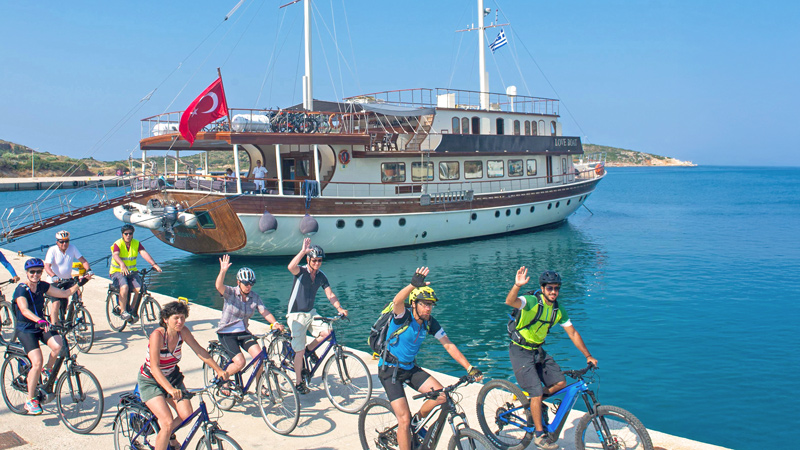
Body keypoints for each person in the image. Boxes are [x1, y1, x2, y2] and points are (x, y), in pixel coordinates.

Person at [379, 267, 481, 450]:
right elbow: (397, 301)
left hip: (410, 368)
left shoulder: (429, 322)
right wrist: (412, 285)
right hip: (389, 370)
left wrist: (469, 368)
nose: (428, 308)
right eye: (424, 304)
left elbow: (448, 345)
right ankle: (408, 426)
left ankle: (416, 422)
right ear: (414, 304)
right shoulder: (403, 316)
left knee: (442, 396)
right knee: (403, 419)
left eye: (431, 304)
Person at [505, 267, 598, 450]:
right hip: (520, 351)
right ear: (543, 288)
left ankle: (534, 402)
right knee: (537, 392)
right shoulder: (532, 301)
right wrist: (517, 285)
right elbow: (510, 301)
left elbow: (572, 333)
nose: (553, 292)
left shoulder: (558, 309)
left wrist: (588, 355)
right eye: (550, 288)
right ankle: (539, 436)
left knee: (560, 383)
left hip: (538, 351)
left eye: (556, 288)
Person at [138, 301, 228, 450]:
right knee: (167, 422)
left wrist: (218, 370)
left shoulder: (183, 332)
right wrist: (170, 390)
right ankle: (165, 436)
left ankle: (167, 436)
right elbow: (154, 368)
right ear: (166, 319)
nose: (180, 322)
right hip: (151, 381)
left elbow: (199, 351)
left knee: (186, 415)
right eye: (176, 318)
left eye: (183, 318)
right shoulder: (158, 336)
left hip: (172, 377)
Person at [13, 258, 79, 415]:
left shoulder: (42, 286)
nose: (35, 275)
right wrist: (40, 320)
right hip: (26, 328)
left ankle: (48, 370)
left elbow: (64, 293)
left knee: (58, 345)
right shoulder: (21, 289)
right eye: (32, 272)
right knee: (37, 361)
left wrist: (80, 283)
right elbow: (24, 310)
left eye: (38, 272)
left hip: (41, 325)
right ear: (27, 273)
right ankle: (30, 400)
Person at [286, 238, 347, 393]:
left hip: (310, 313)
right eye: (314, 260)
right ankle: (299, 382)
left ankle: (309, 350)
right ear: (309, 260)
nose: (317, 263)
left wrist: (339, 308)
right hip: (296, 314)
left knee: (327, 332)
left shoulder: (321, 276)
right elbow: (290, 266)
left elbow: (330, 294)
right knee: (298, 352)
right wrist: (302, 251)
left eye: (320, 260)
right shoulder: (301, 271)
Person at [215, 255, 284, 379]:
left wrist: (275, 323)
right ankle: (221, 379)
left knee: (260, 357)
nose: (249, 286)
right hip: (226, 333)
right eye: (246, 283)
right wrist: (223, 271)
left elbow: (264, 312)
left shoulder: (254, 297)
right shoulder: (231, 293)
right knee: (240, 362)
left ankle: (260, 387)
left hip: (243, 332)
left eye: (251, 283)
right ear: (238, 282)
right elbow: (219, 286)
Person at [110, 224, 162, 322]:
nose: (128, 235)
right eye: (126, 234)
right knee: (124, 286)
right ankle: (123, 311)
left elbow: (143, 253)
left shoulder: (136, 243)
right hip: (117, 271)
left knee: (140, 290)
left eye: (130, 233)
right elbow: (115, 255)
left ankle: (132, 310)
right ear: (122, 235)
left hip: (131, 272)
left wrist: (154, 264)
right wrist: (122, 264)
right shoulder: (118, 244)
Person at [44, 230, 93, 323]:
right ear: (57, 242)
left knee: (77, 292)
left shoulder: (72, 248)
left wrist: (88, 270)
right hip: (54, 281)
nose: (64, 244)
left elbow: (83, 260)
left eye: (66, 241)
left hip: (67, 279)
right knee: (56, 303)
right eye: (61, 241)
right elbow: (47, 266)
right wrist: (53, 275)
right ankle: (54, 327)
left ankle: (72, 316)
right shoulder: (52, 250)